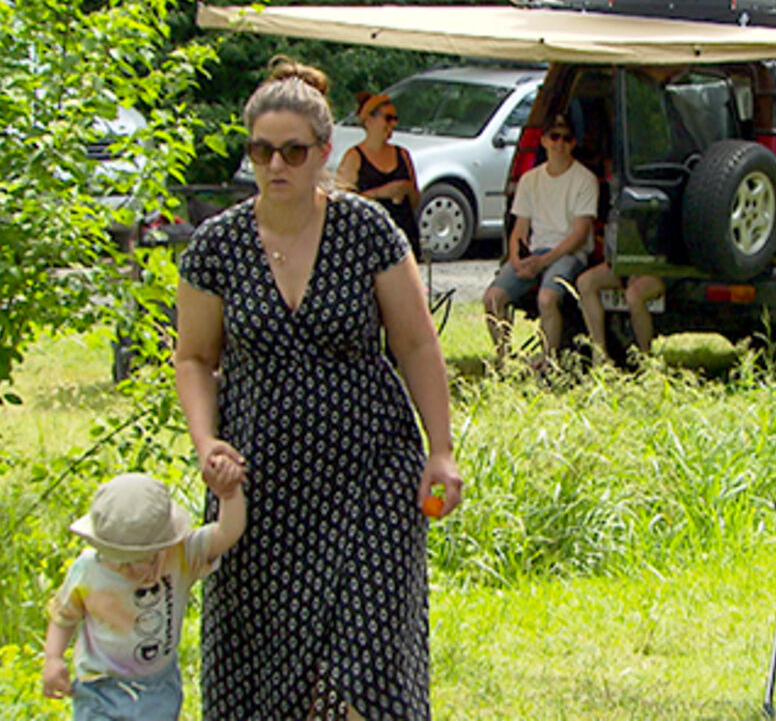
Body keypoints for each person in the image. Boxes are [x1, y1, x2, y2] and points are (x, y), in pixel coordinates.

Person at [174, 57, 463, 720]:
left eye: (293, 151)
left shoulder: (366, 232)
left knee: (363, 661)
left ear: (323, 152)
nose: (276, 166)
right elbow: (193, 356)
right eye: (261, 151)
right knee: (263, 666)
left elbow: (416, 343)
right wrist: (204, 441)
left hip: (370, 474)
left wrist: (440, 449)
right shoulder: (216, 248)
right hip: (258, 487)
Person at [41, 470, 247, 719]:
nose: (130, 568)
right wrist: (53, 658)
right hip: (99, 687)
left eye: (143, 559)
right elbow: (63, 616)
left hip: (157, 689)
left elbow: (227, 532)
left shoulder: (180, 556)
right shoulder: (88, 570)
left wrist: (229, 494)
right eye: (119, 559)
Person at [482, 112, 597, 369]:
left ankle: (548, 363)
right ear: (543, 140)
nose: (559, 144)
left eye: (566, 138)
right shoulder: (530, 179)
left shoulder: (585, 180)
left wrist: (543, 261)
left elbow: (579, 235)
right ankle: (505, 362)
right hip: (534, 253)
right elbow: (520, 228)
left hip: (567, 254)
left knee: (547, 299)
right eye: (554, 136)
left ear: (574, 143)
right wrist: (516, 259)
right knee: (492, 298)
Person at [336, 90, 421, 259]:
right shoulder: (354, 157)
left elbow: (415, 200)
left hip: (403, 236)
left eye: (395, 119)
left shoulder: (402, 154)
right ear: (369, 120)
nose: (393, 124)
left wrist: (406, 189)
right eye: (387, 118)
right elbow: (343, 204)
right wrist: (380, 193)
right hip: (369, 239)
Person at [574, 249, 665, 366]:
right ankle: (600, 356)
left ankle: (647, 358)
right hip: (623, 267)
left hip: (657, 268)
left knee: (633, 295)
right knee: (585, 282)